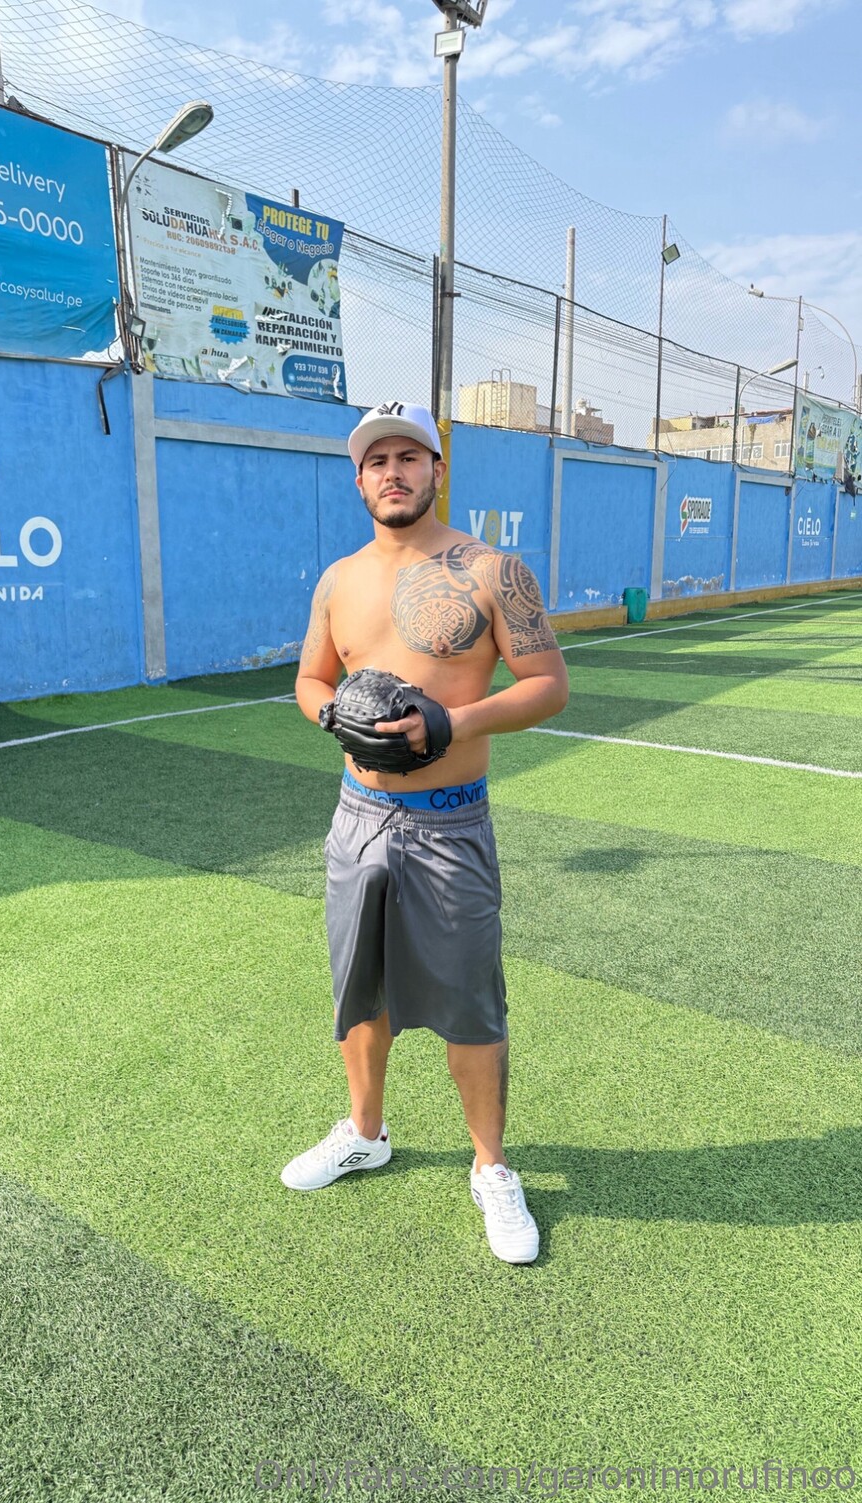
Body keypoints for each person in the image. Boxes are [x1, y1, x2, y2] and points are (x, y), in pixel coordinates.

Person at [282, 401, 569, 1264]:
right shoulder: (337, 580)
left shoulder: (492, 571)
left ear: (437, 470)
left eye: (409, 457)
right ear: (359, 479)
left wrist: (452, 721)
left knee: (471, 1003)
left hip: (450, 825)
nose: (393, 472)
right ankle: (365, 1132)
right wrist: (331, 714)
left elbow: (549, 684)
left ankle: (491, 1166)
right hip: (357, 818)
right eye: (377, 461)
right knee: (359, 988)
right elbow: (308, 678)